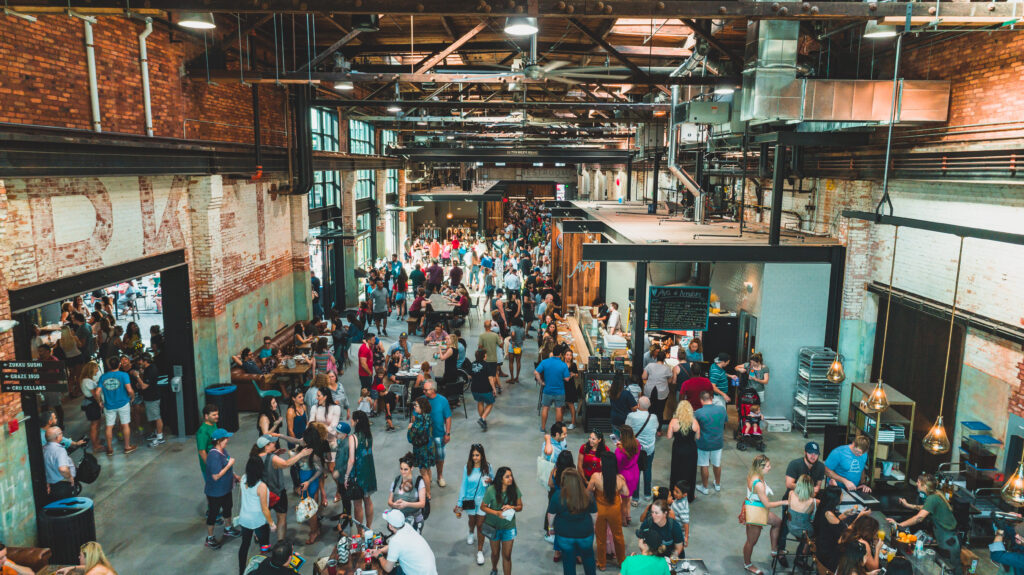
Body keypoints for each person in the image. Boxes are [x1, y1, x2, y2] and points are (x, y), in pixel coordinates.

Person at [888, 473, 961, 573]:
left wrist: (899, 525)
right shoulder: (934, 495)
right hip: (948, 537)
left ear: (924, 486)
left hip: (948, 539)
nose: (916, 484)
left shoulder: (932, 498)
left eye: (918, 482)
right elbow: (925, 508)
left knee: (950, 568)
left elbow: (919, 518)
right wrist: (908, 505)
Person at [777, 441, 827, 562]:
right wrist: (807, 490)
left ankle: (800, 556)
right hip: (791, 501)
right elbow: (789, 484)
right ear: (805, 452)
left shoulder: (820, 467)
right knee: (784, 527)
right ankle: (780, 552)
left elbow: (818, 488)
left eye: (816, 454)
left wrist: (806, 491)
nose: (813, 456)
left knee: (813, 524)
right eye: (810, 453)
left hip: (808, 503)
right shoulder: (795, 464)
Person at [256, 434, 311, 541]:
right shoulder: (273, 458)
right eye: (272, 442)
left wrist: (275, 454)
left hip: (263, 494)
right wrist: (301, 454)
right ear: (266, 446)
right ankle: (281, 541)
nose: (275, 443)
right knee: (281, 517)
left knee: (262, 516)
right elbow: (286, 464)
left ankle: (260, 539)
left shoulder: (256, 457)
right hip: (277, 492)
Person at [742, 455, 787, 574]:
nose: (770, 468)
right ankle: (747, 564)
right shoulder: (758, 484)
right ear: (760, 467)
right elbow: (767, 504)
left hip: (758, 507)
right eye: (767, 466)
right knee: (751, 541)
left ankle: (774, 550)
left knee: (777, 522)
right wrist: (783, 502)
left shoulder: (754, 474)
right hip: (756, 512)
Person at [547, 468, 597, 575]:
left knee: (568, 560)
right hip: (585, 533)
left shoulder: (557, 495)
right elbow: (594, 514)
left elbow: (551, 515)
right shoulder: (587, 494)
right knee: (588, 557)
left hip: (565, 534)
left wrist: (550, 528)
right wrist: (593, 525)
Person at [587, 451, 629, 571]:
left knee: (600, 537)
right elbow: (626, 492)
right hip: (614, 510)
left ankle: (602, 563)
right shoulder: (620, 479)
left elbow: (588, 491)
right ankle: (622, 561)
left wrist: (595, 490)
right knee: (618, 536)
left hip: (599, 510)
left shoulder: (596, 477)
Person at [480, 466, 524, 575]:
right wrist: (496, 513)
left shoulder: (514, 489)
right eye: (507, 477)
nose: (511, 479)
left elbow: (520, 507)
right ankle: (494, 568)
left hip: (509, 527)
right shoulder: (491, 490)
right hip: (493, 526)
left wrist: (512, 507)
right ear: (501, 479)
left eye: (511, 476)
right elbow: (483, 507)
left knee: (507, 555)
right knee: (495, 553)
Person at [367, 509, 438, 575]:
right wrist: (380, 550)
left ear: (390, 526)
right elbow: (393, 547)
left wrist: (379, 556)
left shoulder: (396, 541)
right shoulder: (407, 527)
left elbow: (388, 568)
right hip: (429, 571)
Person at [455, 444, 494, 566]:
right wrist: (459, 503)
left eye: (477, 455)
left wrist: (491, 481)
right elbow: (463, 486)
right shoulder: (467, 467)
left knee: (480, 525)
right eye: (473, 455)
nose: (475, 457)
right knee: (472, 521)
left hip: (483, 501)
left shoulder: (488, 467)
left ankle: (480, 551)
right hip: (469, 500)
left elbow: (493, 482)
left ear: (482, 455)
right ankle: (471, 532)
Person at [237, 456, 276, 575]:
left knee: (245, 545)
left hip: (245, 519)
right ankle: (264, 568)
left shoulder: (243, 479)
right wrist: (271, 523)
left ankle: (241, 571)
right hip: (259, 521)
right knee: (265, 545)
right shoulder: (261, 486)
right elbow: (265, 509)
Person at [813, 487, 867, 573]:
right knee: (854, 551)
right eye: (841, 495)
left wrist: (845, 514)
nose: (842, 497)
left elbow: (833, 523)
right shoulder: (829, 514)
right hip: (829, 553)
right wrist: (859, 516)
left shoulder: (825, 509)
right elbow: (846, 533)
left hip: (822, 546)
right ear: (835, 498)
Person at [205, 428, 241, 548]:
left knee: (227, 508)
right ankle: (210, 538)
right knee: (213, 514)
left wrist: (235, 476)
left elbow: (227, 465)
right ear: (219, 441)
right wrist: (229, 465)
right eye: (225, 438)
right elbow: (216, 476)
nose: (228, 440)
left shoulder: (223, 451)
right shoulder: (213, 456)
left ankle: (228, 528)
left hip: (225, 489)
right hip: (215, 492)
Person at [95, 355, 136, 455]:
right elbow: (129, 390)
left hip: (109, 405)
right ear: (119, 364)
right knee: (125, 424)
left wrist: (99, 402)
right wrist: (132, 397)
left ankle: (109, 449)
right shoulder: (123, 375)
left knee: (109, 427)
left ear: (109, 365)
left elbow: (97, 392)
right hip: (123, 404)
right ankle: (127, 447)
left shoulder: (103, 377)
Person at [344, 411, 377, 529]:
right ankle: (369, 527)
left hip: (357, 474)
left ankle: (360, 531)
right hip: (369, 472)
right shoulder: (369, 435)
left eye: (353, 419)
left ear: (357, 421)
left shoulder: (353, 437)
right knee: (368, 500)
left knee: (357, 504)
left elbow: (351, 460)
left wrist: (346, 476)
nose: (351, 421)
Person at [692, 391, 726, 495]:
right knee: (717, 463)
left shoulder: (698, 413)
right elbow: (725, 421)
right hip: (718, 442)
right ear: (711, 398)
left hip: (704, 442)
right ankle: (718, 484)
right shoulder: (722, 409)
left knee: (704, 465)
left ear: (701, 400)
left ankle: (705, 487)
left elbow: (694, 428)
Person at [626, 397, 658, 502]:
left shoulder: (631, 416)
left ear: (638, 405)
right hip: (649, 449)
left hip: (635, 449)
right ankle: (647, 494)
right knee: (648, 469)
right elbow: (655, 428)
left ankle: (635, 497)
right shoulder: (653, 417)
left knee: (635, 472)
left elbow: (627, 429)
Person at [389, 452, 429, 533]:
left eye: (406, 469)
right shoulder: (396, 480)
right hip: (398, 520)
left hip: (415, 521)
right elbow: (389, 501)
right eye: (401, 469)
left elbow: (422, 504)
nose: (403, 472)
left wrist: (406, 504)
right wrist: (393, 504)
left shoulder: (419, 482)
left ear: (412, 468)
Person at [423, 381, 452, 489]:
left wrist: (447, 433)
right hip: (425, 436)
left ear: (433, 390)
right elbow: (414, 416)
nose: (424, 391)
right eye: (424, 389)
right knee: (426, 457)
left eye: (426, 390)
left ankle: (440, 476)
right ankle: (428, 476)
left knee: (440, 457)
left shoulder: (442, 401)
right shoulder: (421, 400)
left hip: (439, 434)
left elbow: (448, 417)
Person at [535, 348, 571, 434]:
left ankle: (543, 427)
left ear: (553, 353)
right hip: (559, 391)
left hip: (547, 390)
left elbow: (536, 372)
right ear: (560, 355)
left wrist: (541, 382)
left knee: (545, 408)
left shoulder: (545, 362)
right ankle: (557, 429)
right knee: (558, 409)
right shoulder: (563, 365)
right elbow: (567, 379)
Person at [134, 353, 165, 446]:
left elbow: (144, 386)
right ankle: (156, 434)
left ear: (145, 361)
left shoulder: (151, 370)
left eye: (140, 360)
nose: (139, 362)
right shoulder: (148, 369)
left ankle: (160, 438)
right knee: (153, 417)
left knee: (156, 417)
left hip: (153, 397)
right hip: (150, 396)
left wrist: (137, 376)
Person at [641, 350, 675, 433]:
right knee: (660, 411)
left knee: (649, 410)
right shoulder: (667, 368)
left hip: (649, 391)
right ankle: (658, 430)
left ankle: (648, 428)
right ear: (664, 359)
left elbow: (643, 377)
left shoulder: (650, 365)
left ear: (656, 358)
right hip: (662, 392)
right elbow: (670, 381)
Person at [43, 427, 77, 501]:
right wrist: (70, 477)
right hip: (63, 485)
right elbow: (63, 469)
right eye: (61, 433)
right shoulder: (59, 450)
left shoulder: (44, 449)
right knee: (70, 508)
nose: (62, 435)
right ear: (57, 437)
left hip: (52, 486)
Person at [79, 361, 104, 451]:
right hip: (92, 404)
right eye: (96, 367)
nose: (97, 369)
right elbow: (95, 394)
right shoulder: (87, 381)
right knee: (95, 424)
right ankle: (95, 445)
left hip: (91, 404)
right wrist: (100, 403)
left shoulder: (86, 380)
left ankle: (96, 441)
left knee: (96, 423)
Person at [469, 349, 497, 431]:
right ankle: (482, 418)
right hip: (485, 389)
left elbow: (469, 376)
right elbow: (490, 378)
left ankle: (483, 420)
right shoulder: (487, 365)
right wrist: (494, 389)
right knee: (490, 403)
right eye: (486, 354)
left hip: (474, 389)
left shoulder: (472, 364)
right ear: (484, 356)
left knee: (480, 402)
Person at [615, 426, 641, 512]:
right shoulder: (637, 444)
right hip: (635, 473)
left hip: (624, 475)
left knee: (622, 501)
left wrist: (619, 447)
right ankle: (628, 517)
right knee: (628, 498)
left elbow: (617, 465)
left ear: (622, 435)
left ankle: (624, 520)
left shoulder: (619, 450)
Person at [52, 541, 118, 575]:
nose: (79, 557)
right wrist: (70, 568)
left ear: (87, 557)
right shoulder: (101, 566)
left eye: (81, 555)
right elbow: (86, 567)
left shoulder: (93, 573)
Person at [478, 320, 503, 394]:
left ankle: (491, 388)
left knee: (488, 375)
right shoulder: (495, 335)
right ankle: (494, 389)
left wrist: (484, 348)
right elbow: (501, 345)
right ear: (490, 327)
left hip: (485, 359)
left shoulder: (482, 336)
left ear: (484, 327)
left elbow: (479, 347)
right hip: (494, 358)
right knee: (494, 374)